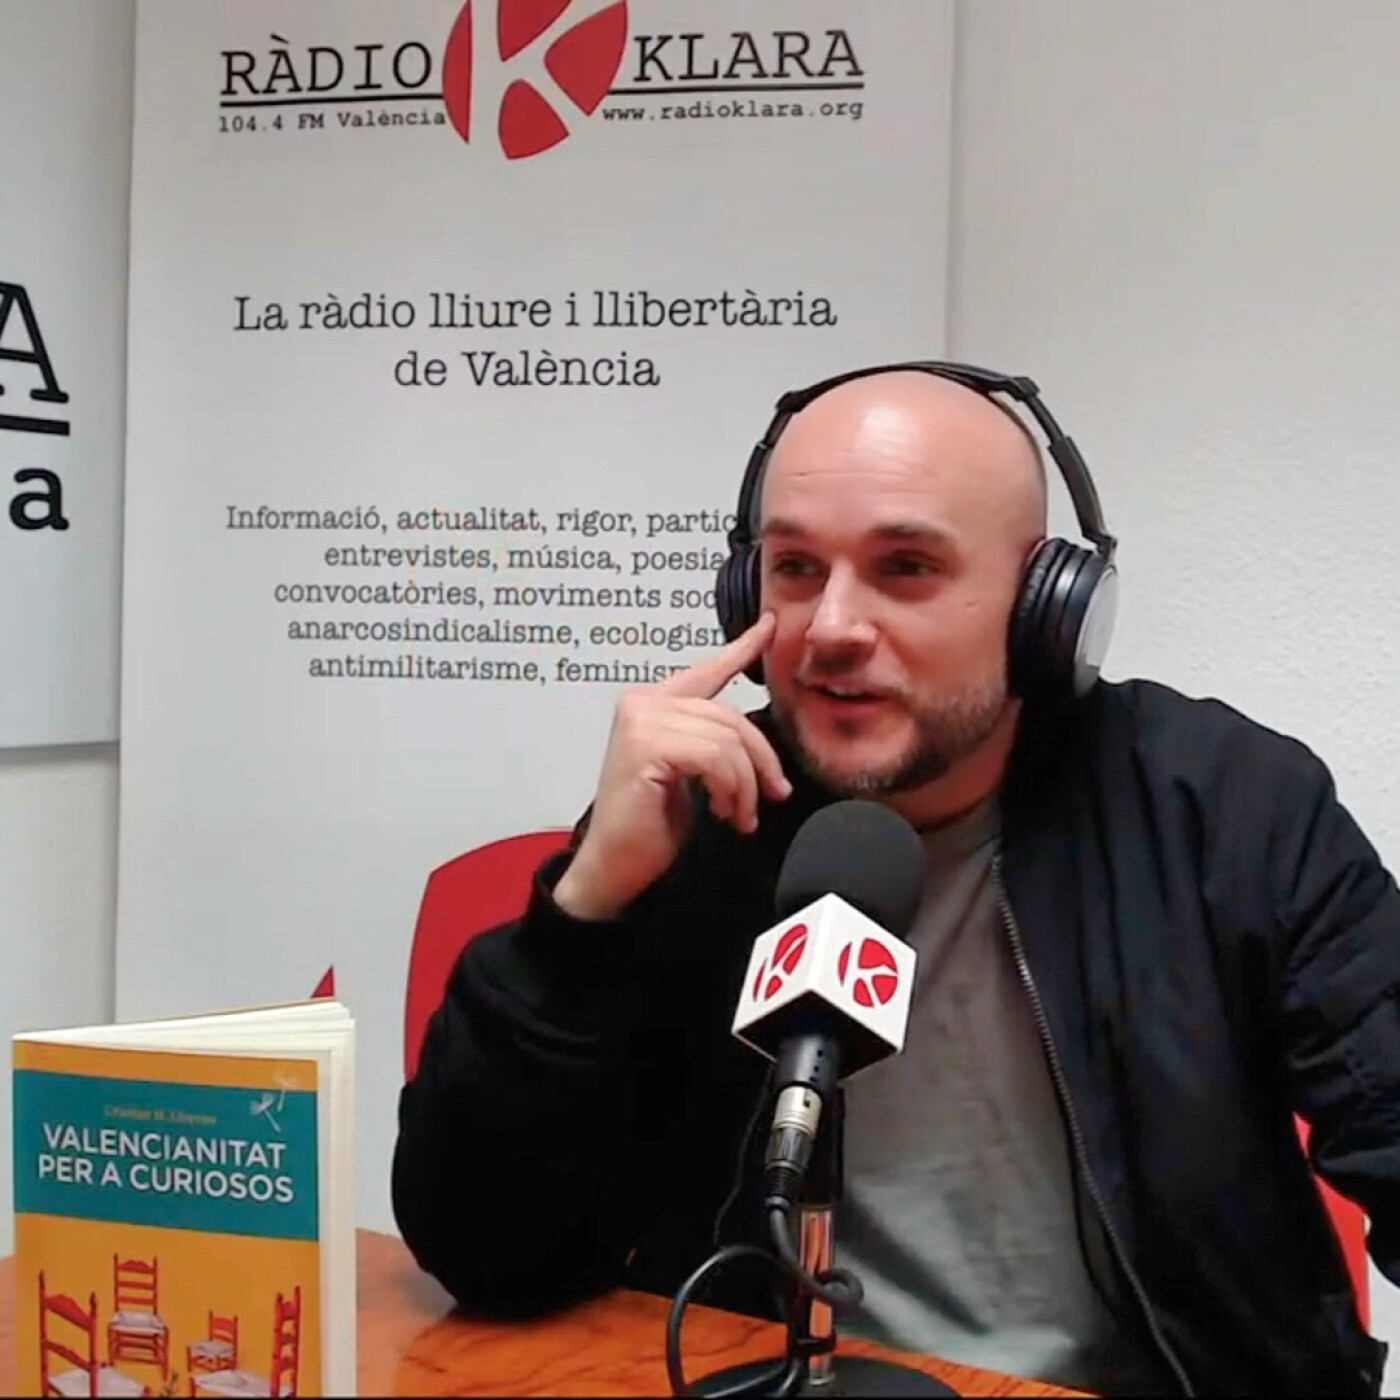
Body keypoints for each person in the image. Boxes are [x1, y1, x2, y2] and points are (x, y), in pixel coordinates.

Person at [391, 364, 1400, 1396]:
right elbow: (488, 1251)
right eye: (793, 568)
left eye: (906, 567)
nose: (830, 626)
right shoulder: (701, 821)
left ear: (1046, 608)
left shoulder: (1222, 809)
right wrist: (587, 904)